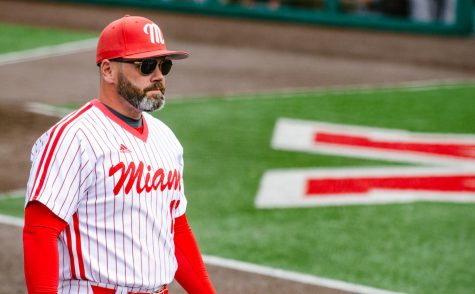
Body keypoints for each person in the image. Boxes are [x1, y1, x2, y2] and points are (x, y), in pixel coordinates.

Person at [23, 15, 216, 294]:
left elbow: (176, 230)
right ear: (108, 71)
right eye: (146, 65)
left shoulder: (166, 139)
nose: (158, 75)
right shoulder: (73, 138)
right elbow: (39, 232)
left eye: (164, 65)